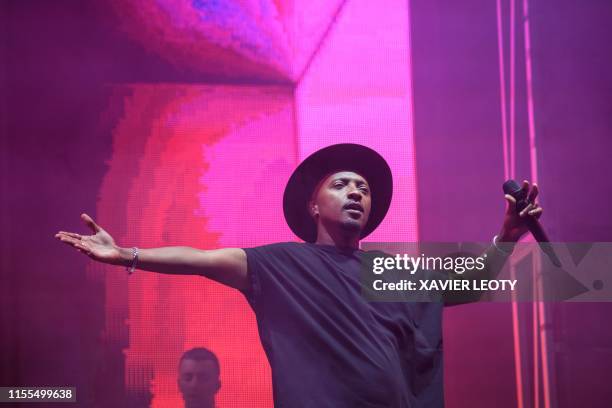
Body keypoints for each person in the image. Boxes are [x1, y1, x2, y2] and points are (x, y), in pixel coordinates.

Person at [56, 143, 543, 407]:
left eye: (364, 189)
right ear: (314, 203)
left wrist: (508, 233)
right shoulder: (281, 265)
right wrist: (127, 255)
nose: (356, 193)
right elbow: (201, 258)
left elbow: (477, 280)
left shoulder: (391, 272)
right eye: (342, 185)